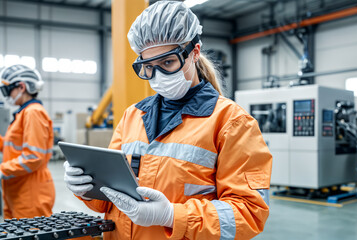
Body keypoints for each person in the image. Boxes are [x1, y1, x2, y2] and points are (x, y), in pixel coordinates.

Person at [64, 1, 272, 239]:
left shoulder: (231, 122)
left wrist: (171, 216)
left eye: (167, 63)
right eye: (148, 66)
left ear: (194, 52)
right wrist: (88, 188)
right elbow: (108, 202)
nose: (158, 76)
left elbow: (249, 213)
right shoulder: (133, 115)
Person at [0, 64, 55, 219]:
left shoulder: (33, 113)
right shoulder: (23, 113)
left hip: (30, 193)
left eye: (6, 90)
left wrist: (2, 170)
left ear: (21, 87)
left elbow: (33, 156)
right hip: (16, 191)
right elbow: (12, 148)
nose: (6, 95)